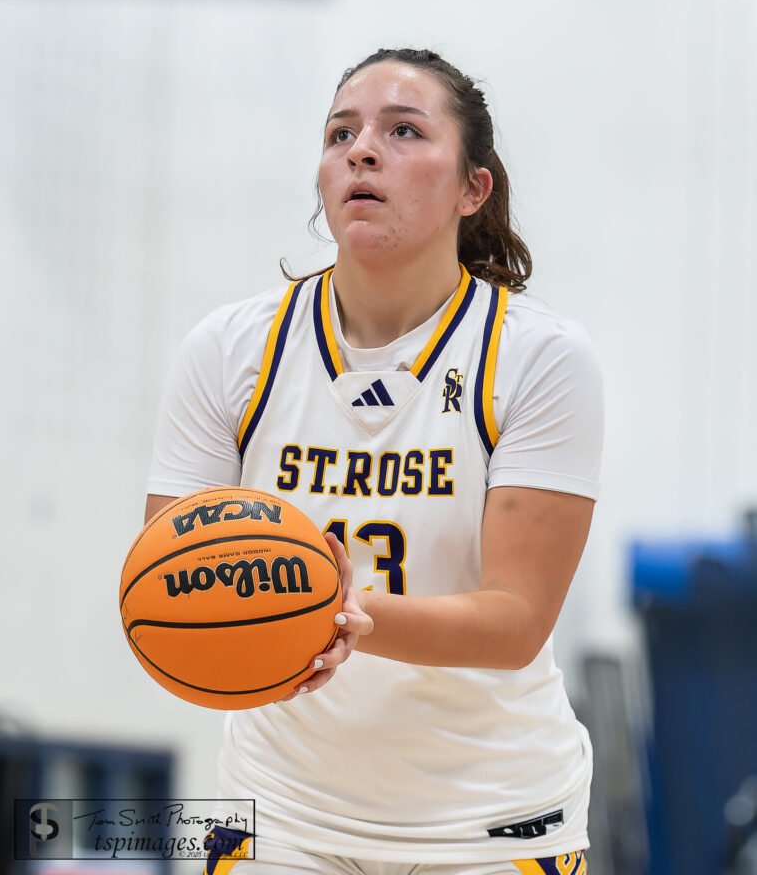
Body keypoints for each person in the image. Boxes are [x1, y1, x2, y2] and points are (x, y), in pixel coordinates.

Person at [145, 48, 603, 875]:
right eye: (341, 132)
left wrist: (341, 615)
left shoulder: (540, 357)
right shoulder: (228, 349)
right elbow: (173, 569)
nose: (362, 149)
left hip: (492, 818)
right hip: (282, 813)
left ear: (473, 188)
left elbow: (515, 620)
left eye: (403, 130)